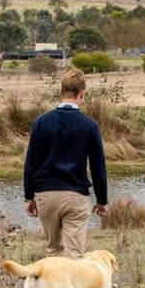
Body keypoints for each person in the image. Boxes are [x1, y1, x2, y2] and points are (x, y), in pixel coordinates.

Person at [23, 68, 108, 256]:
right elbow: (98, 167)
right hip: (76, 196)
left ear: (61, 92)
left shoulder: (40, 123)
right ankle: (73, 285)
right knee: (75, 253)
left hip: (46, 196)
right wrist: (102, 200)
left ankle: (53, 285)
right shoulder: (89, 126)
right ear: (82, 93)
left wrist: (29, 196)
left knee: (54, 250)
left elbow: (30, 164)